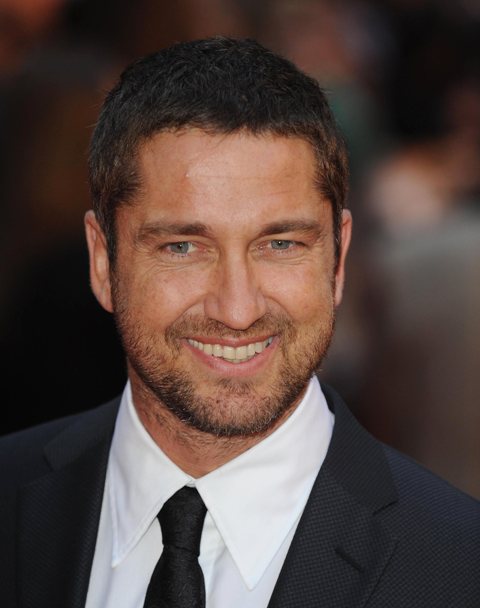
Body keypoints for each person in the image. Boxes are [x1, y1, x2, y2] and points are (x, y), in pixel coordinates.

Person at [0, 37, 479, 608]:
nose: (237, 309)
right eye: (183, 247)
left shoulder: (458, 569)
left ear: (338, 260)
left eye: (280, 244)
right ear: (103, 262)